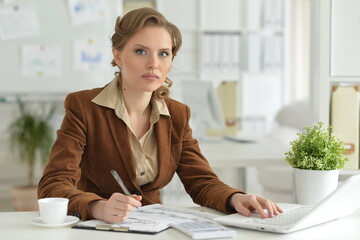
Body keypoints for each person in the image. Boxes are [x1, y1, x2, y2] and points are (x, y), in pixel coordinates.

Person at [38, 7, 282, 223]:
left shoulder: (177, 114)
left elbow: (201, 181)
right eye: (141, 51)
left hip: (155, 227)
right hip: (98, 229)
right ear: (118, 55)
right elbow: (52, 186)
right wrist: (97, 207)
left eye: (163, 54)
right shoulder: (84, 106)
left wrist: (235, 197)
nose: (153, 64)